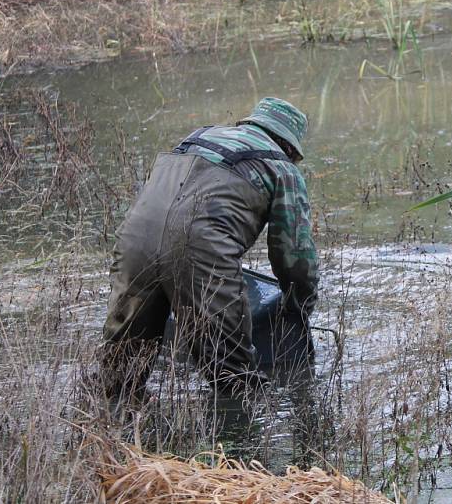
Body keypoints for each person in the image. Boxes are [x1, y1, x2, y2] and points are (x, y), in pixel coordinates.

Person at [100, 97, 319, 403]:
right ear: (291, 148)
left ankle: (110, 440)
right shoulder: (282, 168)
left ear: (250, 123)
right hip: (199, 252)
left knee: (121, 368)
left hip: (135, 238)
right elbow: (295, 258)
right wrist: (298, 307)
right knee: (233, 377)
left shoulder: (196, 137)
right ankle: (232, 449)